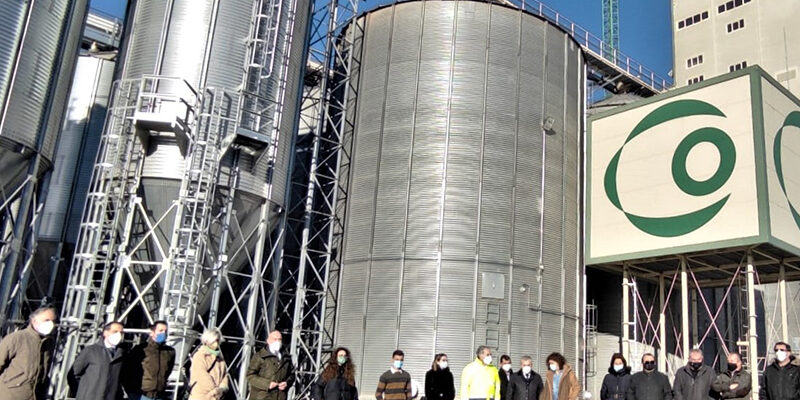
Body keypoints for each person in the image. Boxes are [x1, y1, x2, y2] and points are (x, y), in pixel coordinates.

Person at [0, 306, 57, 400]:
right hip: (10, 395)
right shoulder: (17, 338)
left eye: (53, 321)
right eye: (46, 320)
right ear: (34, 320)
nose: (51, 324)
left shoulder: (49, 343)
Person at [68, 321, 126, 400]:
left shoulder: (122, 355)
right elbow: (73, 374)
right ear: (105, 333)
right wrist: (82, 393)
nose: (118, 335)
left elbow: (120, 380)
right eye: (115, 331)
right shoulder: (91, 351)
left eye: (121, 333)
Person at [123, 320, 177, 400]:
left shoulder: (169, 352)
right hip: (141, 395)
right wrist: (131, 392)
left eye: (165, 331)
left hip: (159, 395)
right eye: (160, 330)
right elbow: (128, 371)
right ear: (152, 333)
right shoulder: (141, 349)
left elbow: (168, 371)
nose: (163, 333)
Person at [247, 330, 294, 400]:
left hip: (280, 396)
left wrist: (287, 383)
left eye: (279, 339)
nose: (277, 342)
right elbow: (250, 375)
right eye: (275, 339)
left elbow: (292, 374)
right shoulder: (260, 356)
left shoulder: (286, 357)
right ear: (268, 341)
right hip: (262, 396)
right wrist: (267, 384)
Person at [188, 328, 228, 400]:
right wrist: (215, 391)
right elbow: (202, 375)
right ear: (207, 341)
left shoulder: (220, 360)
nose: (216, 343)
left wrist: (222, 389)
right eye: (214, 341)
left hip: (215, 396)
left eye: (217, 340)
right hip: (200, 396)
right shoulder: (200, 356)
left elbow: (224, 376)